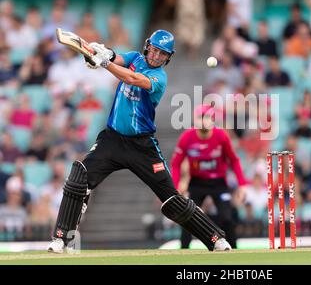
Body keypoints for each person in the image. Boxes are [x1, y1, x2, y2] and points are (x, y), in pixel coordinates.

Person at [47, 30, 232, 253]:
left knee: (171, 199)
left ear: (168, 57)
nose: (155, 56)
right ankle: (61, 239)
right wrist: (98, 51)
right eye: (153, 49)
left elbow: (131, 78)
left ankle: (216, 239)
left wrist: (104, 63)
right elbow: (117, 58)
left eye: (161, 53)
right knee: (79, 178)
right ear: (147, 47)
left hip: (142, 146)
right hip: (112, 140)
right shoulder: (135, 57)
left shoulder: (159, 78)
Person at [170, 104, 247, 249]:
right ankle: (183, 252)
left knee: (227, 218)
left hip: (218, 183)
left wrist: (242, 185)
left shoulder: (221, 136)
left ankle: (235, 252)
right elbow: (176, 164)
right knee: (187, 219)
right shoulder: (187, 137)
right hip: (197, 183)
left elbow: (234, 160)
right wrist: (175, 188)